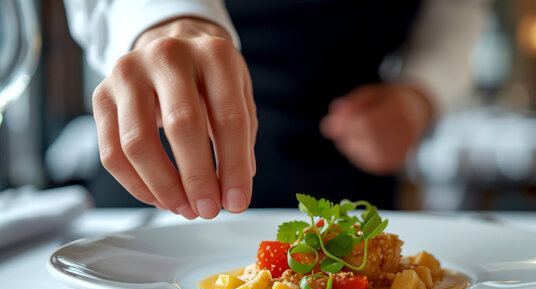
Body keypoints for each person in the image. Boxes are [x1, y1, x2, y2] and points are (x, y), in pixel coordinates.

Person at [63, 0, 487, 219]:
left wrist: (419, 94)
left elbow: (456, 12)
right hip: (162, 175)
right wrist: (164, 19)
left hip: (348, 170)